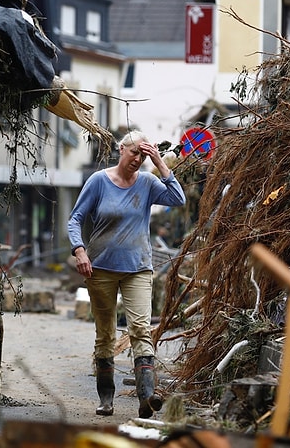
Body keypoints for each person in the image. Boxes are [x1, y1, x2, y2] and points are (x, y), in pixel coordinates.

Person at [67, 131, 185, 417]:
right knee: (105, 334)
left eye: (143, 155)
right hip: (101, 268)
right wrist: (79, 250)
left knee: (141, 329)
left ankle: (147, 397)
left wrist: (159, 161)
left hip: (138, 268)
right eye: (134, 153)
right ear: (121, 150)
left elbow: (177, 197)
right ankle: (106, 398)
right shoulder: (98, 181)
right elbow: (75, 219)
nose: (138, 159)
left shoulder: (147, 182)